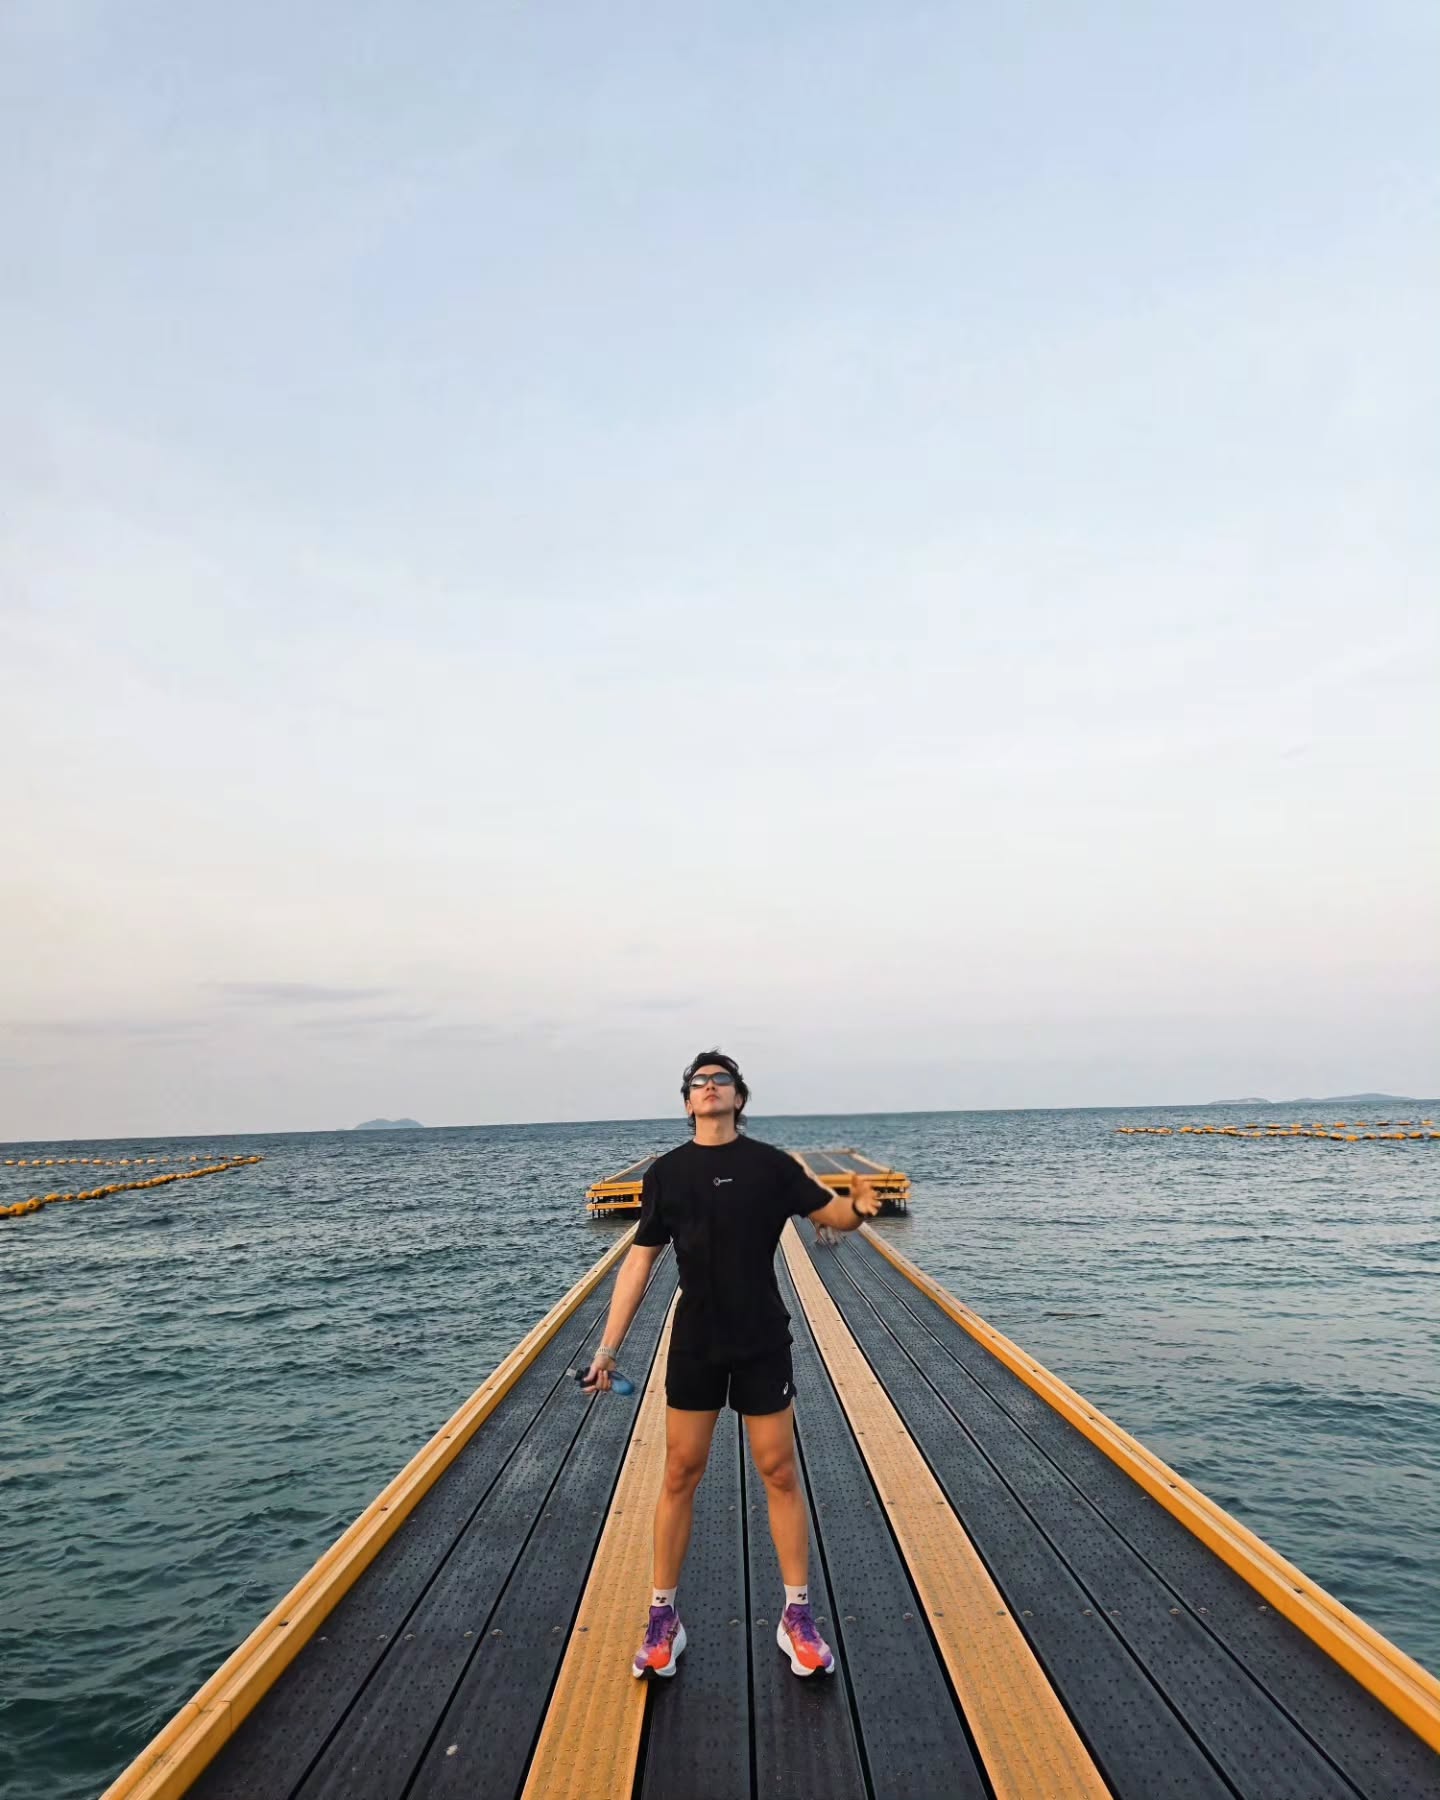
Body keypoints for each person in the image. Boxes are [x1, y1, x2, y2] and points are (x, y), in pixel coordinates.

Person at [580, 1049, 882, 1681]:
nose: (710, 1087)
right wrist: (609, 1347)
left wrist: (857, 1205)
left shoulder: (771, 1166)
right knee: (679, 1472)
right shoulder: (668, 1173)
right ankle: (663, 1619)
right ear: (688, 1100)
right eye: (699, 1082)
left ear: (739, 1097)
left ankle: (796, 1616)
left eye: (721, 1080)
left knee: (779, 1470)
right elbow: (640, 1259)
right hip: (696, 1342)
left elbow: (832, 1215)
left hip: (761, 1340)